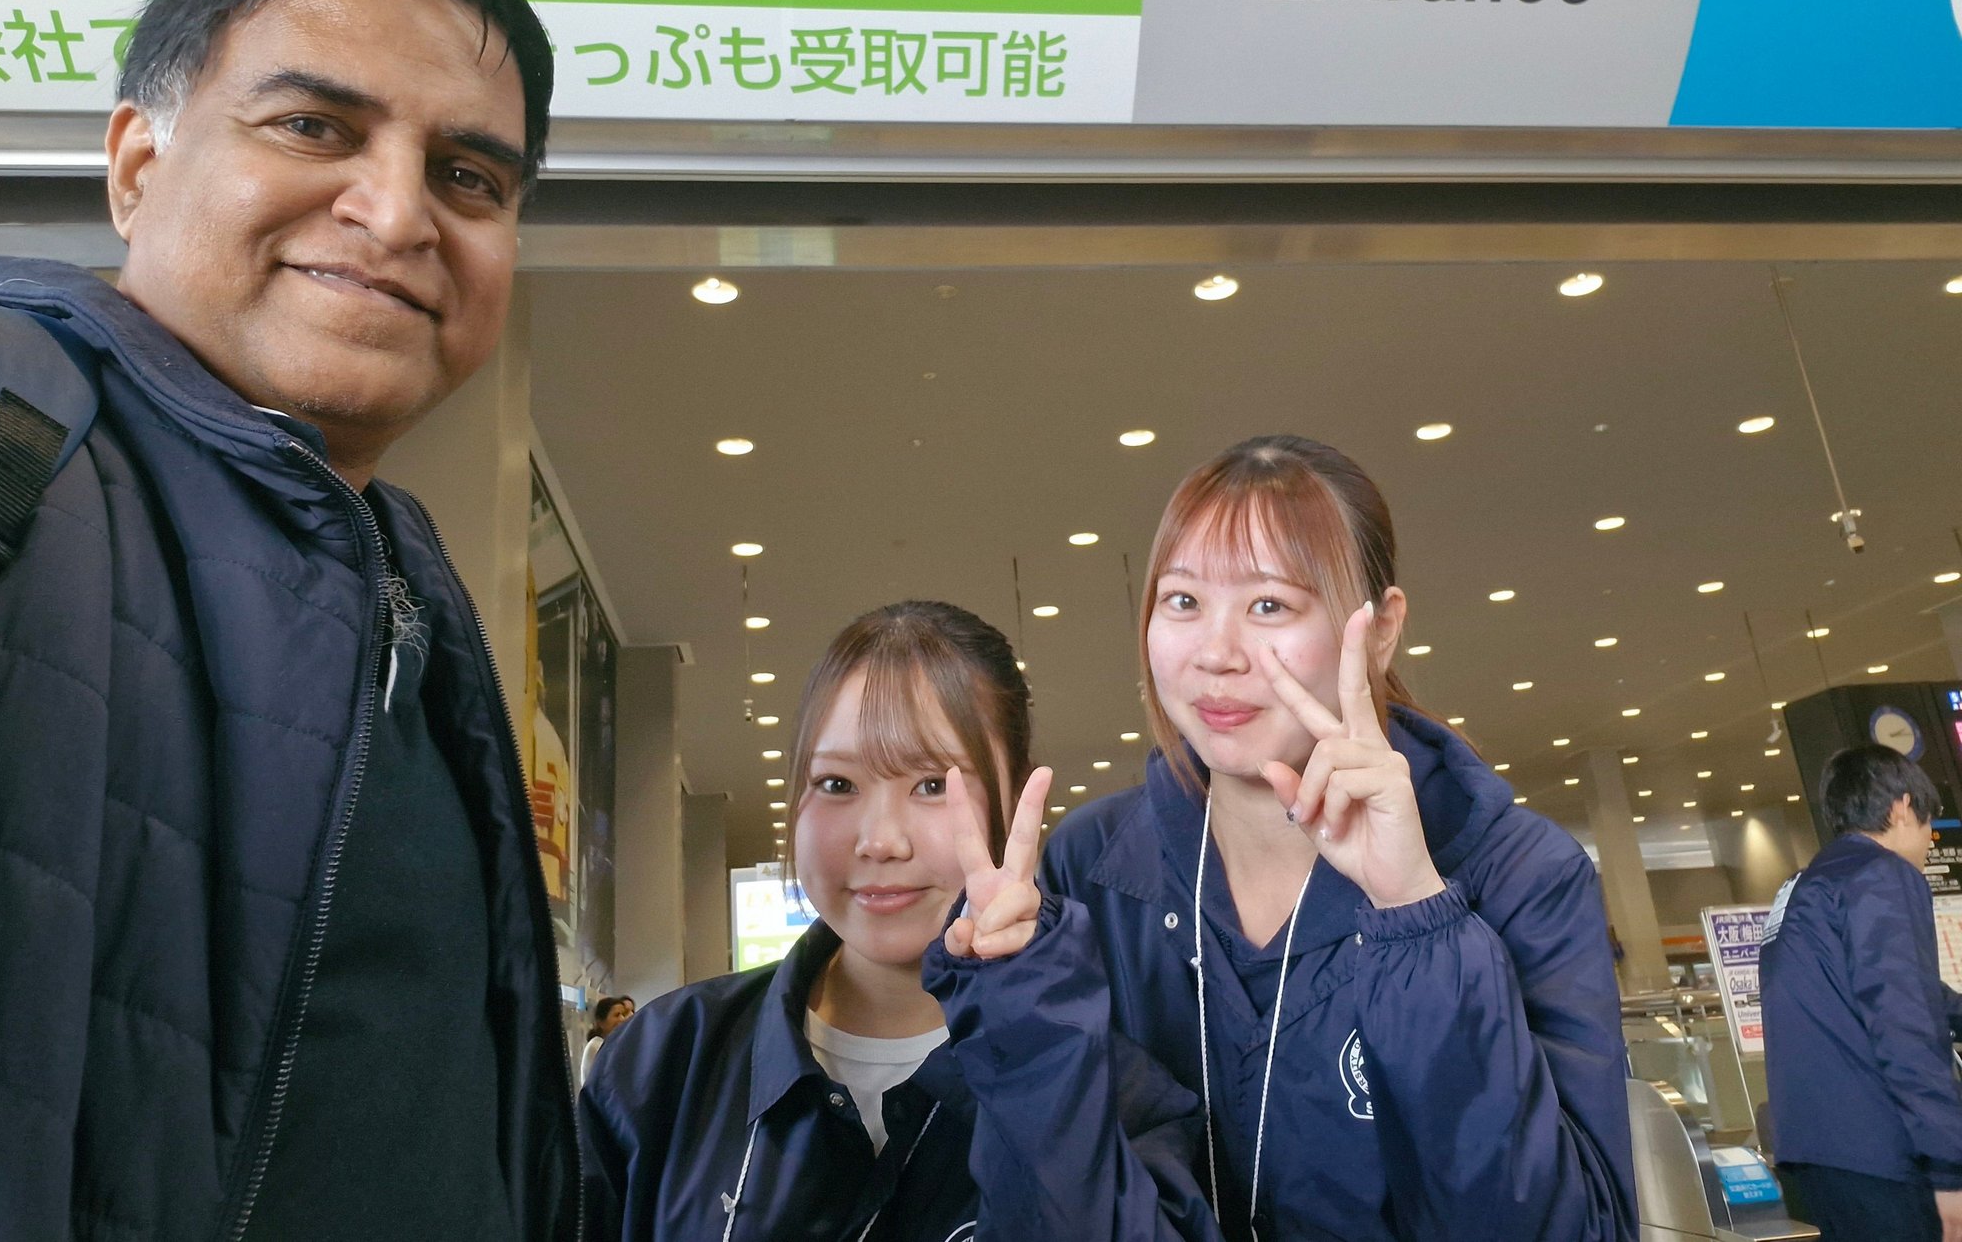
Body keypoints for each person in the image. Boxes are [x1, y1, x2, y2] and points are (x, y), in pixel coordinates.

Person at [0, 0, 574, 1242]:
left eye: (470, 176)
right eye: (314, 126)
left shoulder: (409, 580)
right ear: (136, 165)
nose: (399, 212)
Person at [1041, 435, 1637, 1242]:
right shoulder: (1093, 867)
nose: (1216, 654)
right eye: (1183, 601)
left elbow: (1574, 1230)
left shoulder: (1522, 873)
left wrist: (1414, 914)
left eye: (1269, 605)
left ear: (1382, 629)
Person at [578, 600, 1219, 1241]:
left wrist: (1033, 1065)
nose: (880, 841)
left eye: (933, 785)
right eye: (836, 784)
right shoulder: (662, 1063)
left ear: (1017, 798)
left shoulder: (1108, 1083)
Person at [1761, 744, 1962, 1242]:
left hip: (1817, 1152)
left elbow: (1898, 992)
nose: (1929, 841)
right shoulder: (1881, 873)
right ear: (1900, 806)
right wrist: (1950, 1168)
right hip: (1881, 1151)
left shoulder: (1804, 886)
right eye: (1927, 824)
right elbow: (1905, 1023)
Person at [583, 996, 637, 1087]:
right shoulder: (596, 1045)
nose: (622, 1019)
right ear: (601, 1023)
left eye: (623, 1014)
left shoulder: (612, 1045)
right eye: (616, 1015)